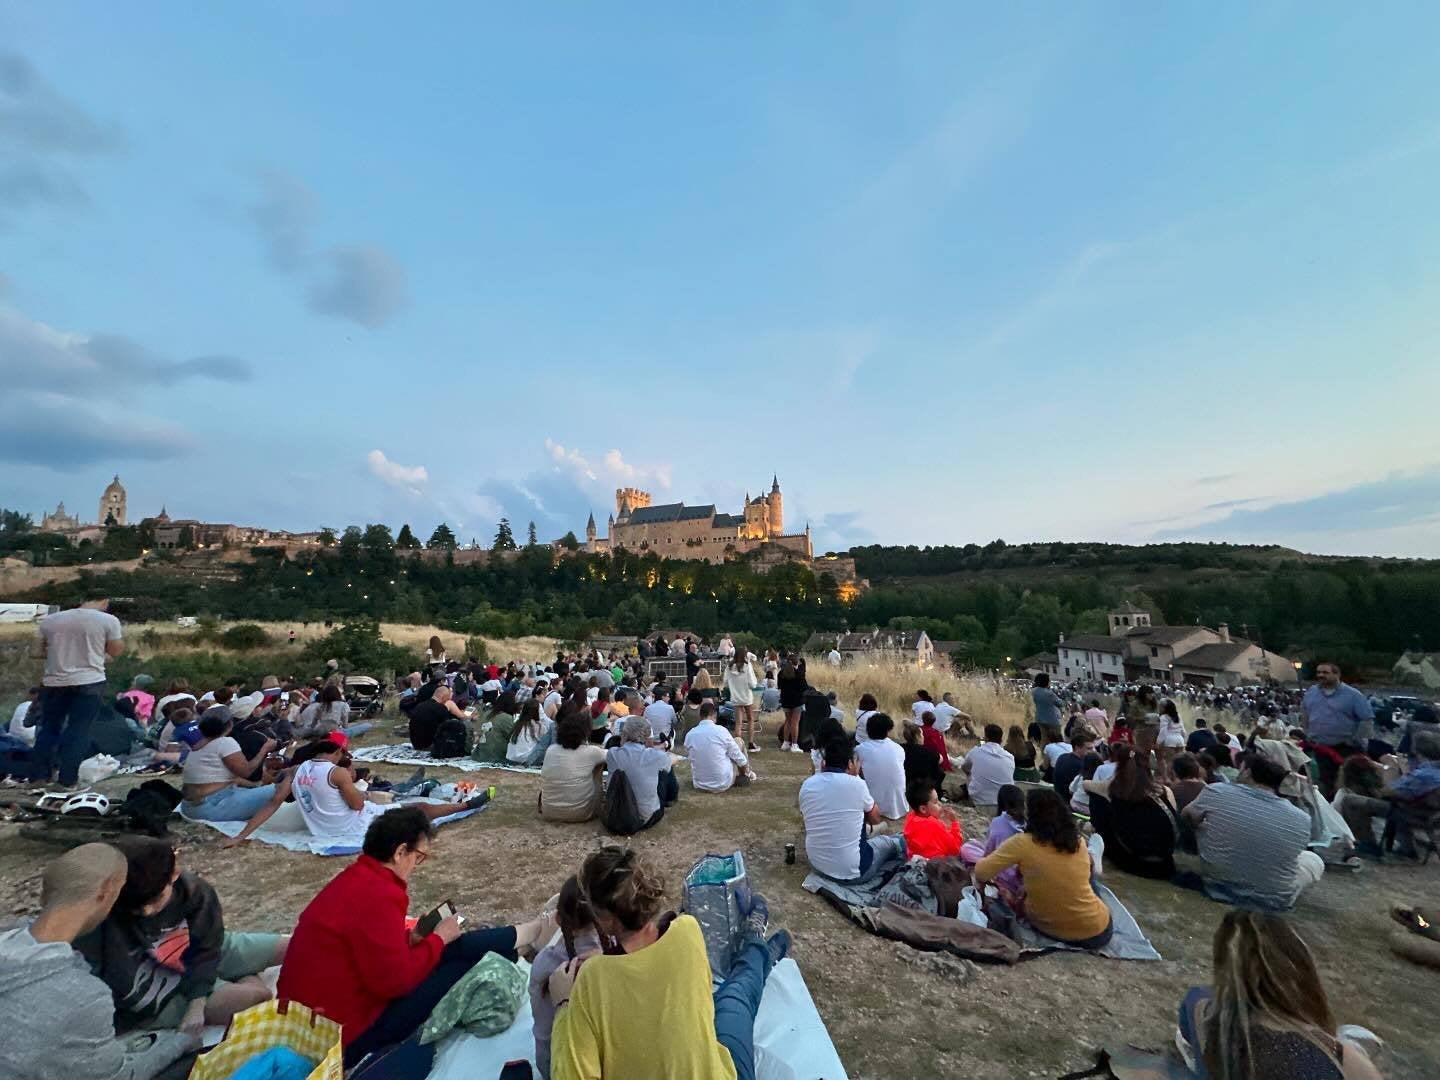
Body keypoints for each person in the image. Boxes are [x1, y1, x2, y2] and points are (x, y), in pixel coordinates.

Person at [279, 807, 557, 1068]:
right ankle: (529, 936)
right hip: (347, 1039)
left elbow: (365, 948)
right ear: (401, 852)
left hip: (310, 1024)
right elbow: (395, 983)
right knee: (460, 960)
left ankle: (527, 938)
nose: (417, 865)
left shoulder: (354, 879)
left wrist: (412, 940)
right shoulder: (380, 894)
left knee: (448, 946)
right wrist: (437, 939)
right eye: (419, 857)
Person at [548, 846, 791, 1080]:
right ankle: (756, 942)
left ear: (605, 920)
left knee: (734, 995)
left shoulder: (591, 980)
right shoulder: (688, 930)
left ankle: (759, 946)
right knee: (736, 995)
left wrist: (563, 1005)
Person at [0, 843, 198, 1080]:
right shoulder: (84, 996)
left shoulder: (8, 942)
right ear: (106, 892)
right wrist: (182, 1042)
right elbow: (120, 1076)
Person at [76, 837, 287, 1036]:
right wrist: (195, 1001)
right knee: (257, 998)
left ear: (174, 874)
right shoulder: (97, 918)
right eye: (137, 908)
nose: (148, 911)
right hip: (159, 988)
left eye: (156, 898)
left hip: (198, 953)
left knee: (295, 945)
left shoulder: (193, 890)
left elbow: (208, 945)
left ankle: (241, 975)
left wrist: (198, 1001)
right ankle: (246, 976)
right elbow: (106, 987)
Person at [1174, 909, 1383, 1080]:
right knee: (1349, 1050)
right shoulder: (1331, 1051)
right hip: (1327, 1052)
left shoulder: (1202, 1009)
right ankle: (1354, 1040)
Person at [223, 740, 492, 845]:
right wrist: (358, 789)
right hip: (348, 826)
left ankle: (458, 804)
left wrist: (241, 835)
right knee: (418, 809)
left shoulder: (296, 771)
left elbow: (272, 803)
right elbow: (356, 806)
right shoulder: (336, 773)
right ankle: (464, 807)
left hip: (322, 829)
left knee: (403, 802)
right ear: (337, 753)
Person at [1180, 752, 1324, 910]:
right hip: (1273, 898)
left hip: (1218, 884)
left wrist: (1202, 829)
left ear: (1247, 772)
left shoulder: (1217, 791)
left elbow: (1187, 815)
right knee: (1312, 859)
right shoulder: (1302, 818)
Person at [975, 788, 1113, 949]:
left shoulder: (1022, 843)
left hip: (1047, 928)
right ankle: (1094, 862)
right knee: (1087, 877)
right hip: (1097, 933)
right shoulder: (1078, 842)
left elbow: (981, 872)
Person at [27, 597, 124, 788]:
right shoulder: (108, 620)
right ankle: (67, 780)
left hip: (54, 682)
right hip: (89, 682)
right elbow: (116, 651)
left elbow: (36, 652)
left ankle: (38, 777)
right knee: (78, 730)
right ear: (105, 602)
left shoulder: (50, 620)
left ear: (80, 600)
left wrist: (59, 653)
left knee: (49, 728)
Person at [798, 738, 907, 883]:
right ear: (850, 764)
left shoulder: (807, 785)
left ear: (824, 763)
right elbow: (876, 819)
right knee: (888, 842)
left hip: (817, 866)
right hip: (854, 873)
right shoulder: (857, 784)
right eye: (857, 762)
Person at [530, 877, 601, 1080]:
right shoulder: (618, 956)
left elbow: (544, 1036)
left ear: (558, 918)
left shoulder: (544, 964)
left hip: (558, 1067)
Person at [1084, 741, 1179, 879]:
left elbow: (1085, 785)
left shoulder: (1111, 788)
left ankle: (1097, 836)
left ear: (1118, 765)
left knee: (1097, 797)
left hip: (1131, 862)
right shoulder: (1165, 791)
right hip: (1165, 864)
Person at [180, 708, 278, 822]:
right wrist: (265, 748)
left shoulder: (197, 746)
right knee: (283, 787)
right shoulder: (225, 742)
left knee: (251, 790)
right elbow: (246, 771)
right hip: (210, 807)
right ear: (230, 724)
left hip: (188, 808)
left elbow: (232, 779)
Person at [1302, 662, 1375, 798]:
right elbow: (1305, 712)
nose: (1320, 675)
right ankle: (1330, 811)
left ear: (1337, 674)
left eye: (1325, 672)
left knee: (1349, 784)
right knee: (1325, 782)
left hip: (1346, 748)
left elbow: (1367, 720)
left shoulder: (1354, 695)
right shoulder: (1311, 692)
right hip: (1320, 747)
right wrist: (1306, 732)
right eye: (1318, 672)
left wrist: (1357, 741)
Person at [606, 716, 680, 830]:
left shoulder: (612, 754)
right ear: (646, 737)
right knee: (664, 771)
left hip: (616, 815)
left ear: (624, 734)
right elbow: (672, 760)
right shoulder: (656, 756)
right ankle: (670, 799)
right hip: (645, 819)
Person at [961, 784, 1026, 903]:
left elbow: (988, 855)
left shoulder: (999, 822)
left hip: (1002, 875)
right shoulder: (1028, 824)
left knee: (967, 848)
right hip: (1021, 879)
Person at [539, 714, 608, 823]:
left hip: (549, 811)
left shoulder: (551, 750)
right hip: (582, 813)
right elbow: (612, 756)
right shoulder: (592, 752)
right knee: (598, 765)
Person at [685, 702, 755, 793]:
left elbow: (690, 755)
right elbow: (738, 756)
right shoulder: (721, 731)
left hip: (699, 784)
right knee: (738, 741)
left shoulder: (690, 734)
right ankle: (745, 776)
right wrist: (746, 768)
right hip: (722, 783)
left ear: (700, 715)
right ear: (714, 715)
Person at [855, 712, 908, 820]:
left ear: (868, 730)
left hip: (873, 808)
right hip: (900, 807)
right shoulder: (898, 748)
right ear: (888, 731)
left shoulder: (860, 750)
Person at [902, 778, 964, 859]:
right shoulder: (934, 825)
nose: (940, 804)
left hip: (913, 859)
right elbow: (955, 849)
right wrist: (954, 822)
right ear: (923, 809)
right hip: (934, 866)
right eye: (935, 802)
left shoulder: (910, 817)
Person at [961, 724, 1016, 814]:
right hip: (1004, 803)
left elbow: (964, 768)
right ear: (1001, 740)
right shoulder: (1010, 757)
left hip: (980, 802)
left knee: (970, 773)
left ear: (985, 738)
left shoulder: (976, 751)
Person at [409, 684, 465, 752]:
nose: (446, 701)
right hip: (430, 745)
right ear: (443, 697)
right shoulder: (441, 709)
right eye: (447, 699)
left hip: (416, 744)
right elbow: (446, 730)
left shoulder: (419, 706)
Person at [724, 649, 760, 754]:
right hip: (747, 697)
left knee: (738, 723)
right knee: (750, 720)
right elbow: (753, 684)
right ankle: (751, 743)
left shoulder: (729, 667)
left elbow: (725, 683)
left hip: (735, 697)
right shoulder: (747, 666)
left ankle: (737, 746)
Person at [900, 720, 946, 801]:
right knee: (939, 770)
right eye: (922, 734)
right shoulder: (929, 753)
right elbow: (941, 760)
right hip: (921, 788)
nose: (923, 736)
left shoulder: (899, 748)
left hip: (903, 783)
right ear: (918, 736)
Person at [1052, 730, 1095, 803]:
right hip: (1069, 802)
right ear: (1077, 748)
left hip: (1059, 798)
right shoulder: (1081, 765)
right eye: (1089, 748)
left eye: (1093, 748)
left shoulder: (1062, 757)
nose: (1093, 751)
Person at [508, 699, 555, 766]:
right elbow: (544, 744)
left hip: (511, 758)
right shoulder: (538, 726)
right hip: (525, 760)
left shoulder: (517, 723)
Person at [776, 655, 807, 752]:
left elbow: (779, 686)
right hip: (797, 701)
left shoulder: (781, 673)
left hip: (785, 700)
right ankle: (794, 744)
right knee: (795, 722)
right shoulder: (799, 673)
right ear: (796, 662)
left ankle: (785, 743)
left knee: (788, 721)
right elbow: (804, 687)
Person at [1157, 699, 1187, 780]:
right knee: (1178, 762)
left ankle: (1168, 779)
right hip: (1180, 740)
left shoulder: (1164, 717)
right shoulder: (1178, 716)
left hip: (1170, 740)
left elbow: (1163, 731)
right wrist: (1184, 739)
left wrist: (1158, 742)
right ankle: (1178, 778)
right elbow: (1183, 730)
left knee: (1169, 761)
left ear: (1164, 708)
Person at [1031, 672, 1062, 740]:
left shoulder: (1033, 691)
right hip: (1052, 720)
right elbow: (1060, 703)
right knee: (1057, 739)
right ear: (1046, 682)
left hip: (1039, 719)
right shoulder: (1049, 693)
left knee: (1044, 739)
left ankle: (1044, 750)